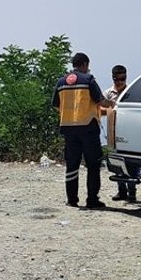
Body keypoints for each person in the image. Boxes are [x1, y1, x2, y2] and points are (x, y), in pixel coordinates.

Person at [53, 52, 114, 208]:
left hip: (68, 128)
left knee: (72, 165)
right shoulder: (88, 80)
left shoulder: (61, 82)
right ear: (85, 64)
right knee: (93, 164)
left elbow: (56, 105)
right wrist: (112, 103)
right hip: (88, 128)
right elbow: (101, 101)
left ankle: (72, 200)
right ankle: (92, 199)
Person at [105, 64, 137, 202]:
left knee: (130, 161)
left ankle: (132, 191)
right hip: (114, 131)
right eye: (116, 79)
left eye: (122, 79)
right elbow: (100, 109)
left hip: (129, 131)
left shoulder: (131, 91)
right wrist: (111, 109)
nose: (119, 82)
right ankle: (121, 190)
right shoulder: (108, 93)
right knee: (117, 162)